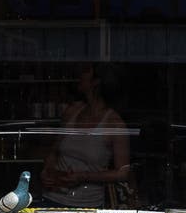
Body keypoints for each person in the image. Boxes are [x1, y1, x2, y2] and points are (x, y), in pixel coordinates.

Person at [41, 65, 131, 203]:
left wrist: (84, 176)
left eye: (85, 71)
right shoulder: (72, 111)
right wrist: (46, 171)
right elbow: (54, 151)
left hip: (87, 204)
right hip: (52, 198)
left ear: (96, 81)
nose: (80, 74)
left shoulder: (114, 123)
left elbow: (123, 172)